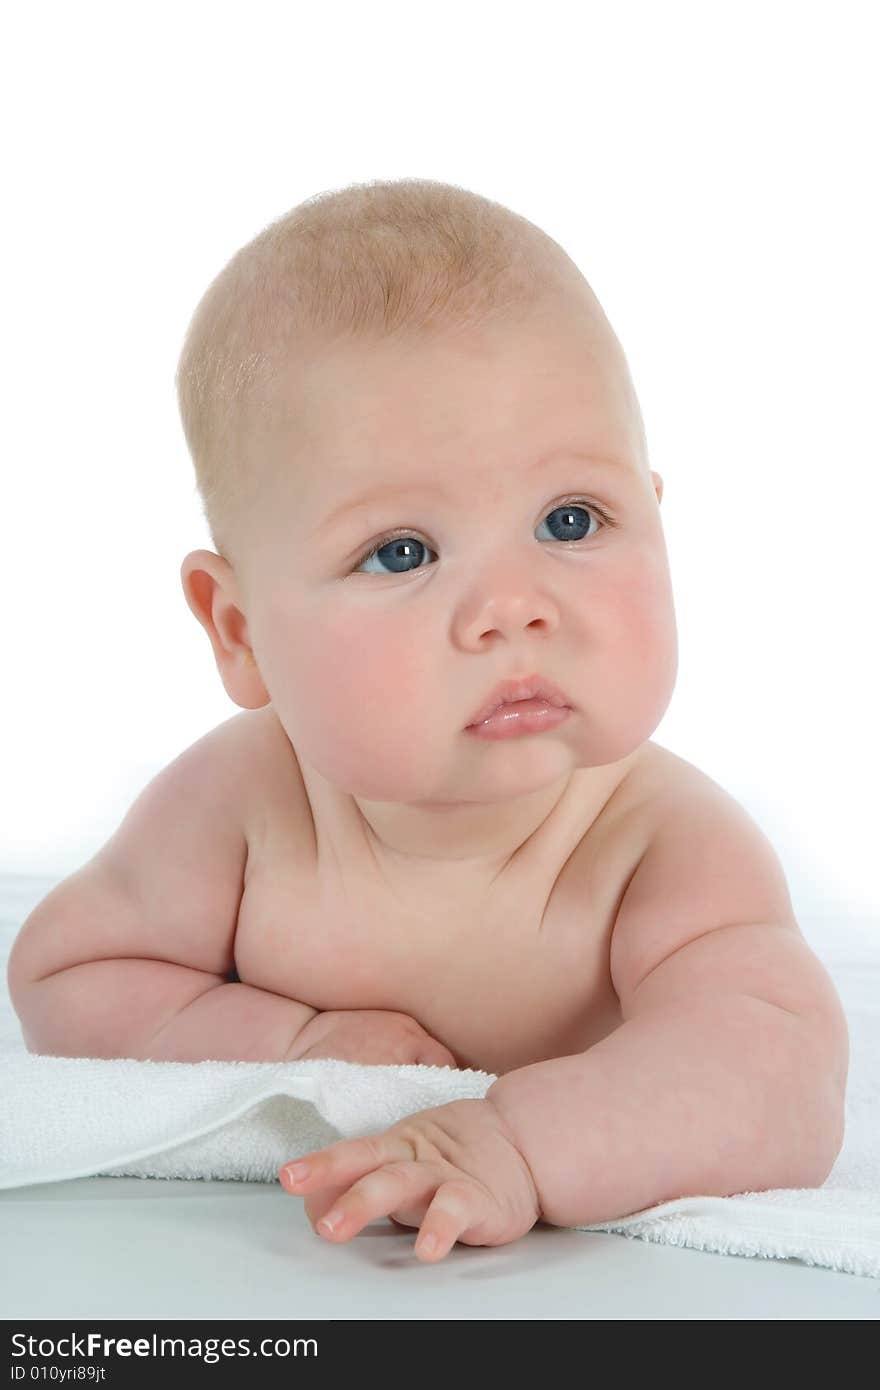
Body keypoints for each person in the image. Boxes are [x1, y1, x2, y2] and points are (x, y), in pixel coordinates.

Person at [7, 178, 849, 1263]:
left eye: (571, 519)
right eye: (401, 551)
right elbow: (67, 978)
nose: (512, 608)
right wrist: (296, 1044)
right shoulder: (242, 806)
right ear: (241, 630)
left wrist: (520, 1146)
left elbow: (779, 1075)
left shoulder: (660, 846)